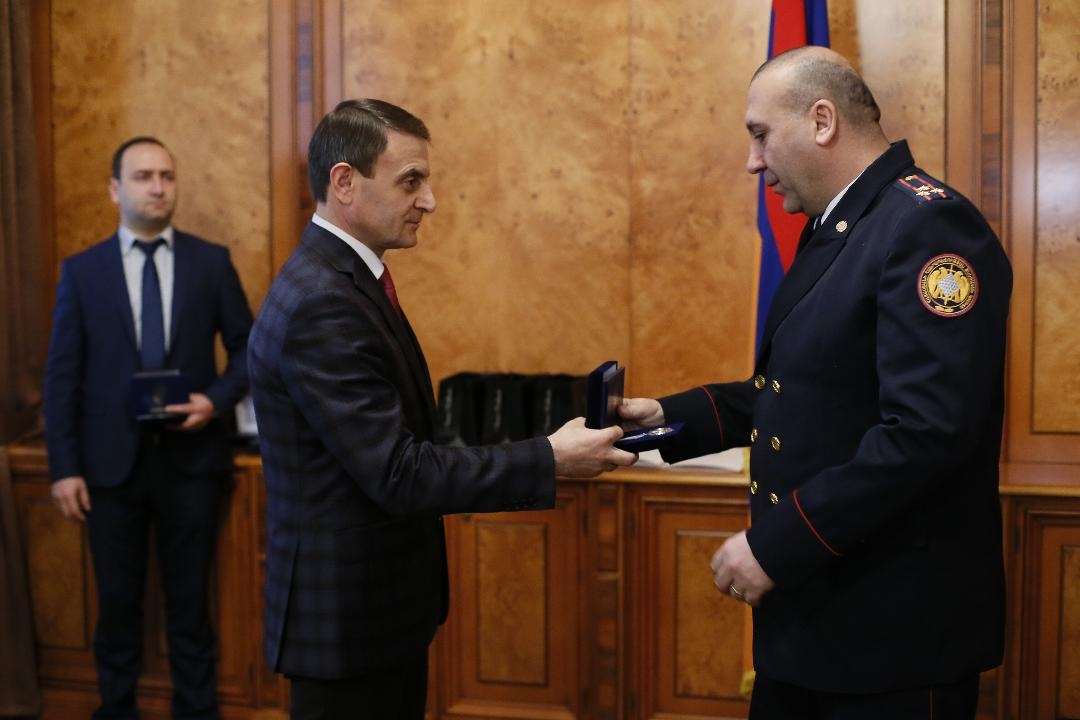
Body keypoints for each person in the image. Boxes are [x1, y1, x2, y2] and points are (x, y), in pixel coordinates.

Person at [620, 47, 1012, 718]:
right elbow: (797, 392)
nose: (753, 161)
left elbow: (926, 434)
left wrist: (776, 546)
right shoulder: (843, 228)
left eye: (760, 134)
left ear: (822, 120)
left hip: (890, 639)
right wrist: (664, 420)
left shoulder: (927, 225)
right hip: (816, 623)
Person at [247, 98, 635, 720]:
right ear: (344, 182)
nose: (429, 200)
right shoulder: (323, 301)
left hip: (377, 616)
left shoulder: (344, 279)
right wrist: (549, 459)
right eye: (411, 181)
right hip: (345, 625)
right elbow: (399, 472)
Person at [45, 136, 253, 720]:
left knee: (190, 605)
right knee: (117, 605)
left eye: (166, 175)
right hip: (109, 469)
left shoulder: (211, 262)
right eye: (143, 177)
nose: (158, 187)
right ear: (116, 189)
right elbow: (62, 377)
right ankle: (117, 709)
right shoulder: (82, 272)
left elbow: (250, 350)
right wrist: (64, 468)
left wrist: (214, 401)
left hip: (193, 463)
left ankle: (197, 711)